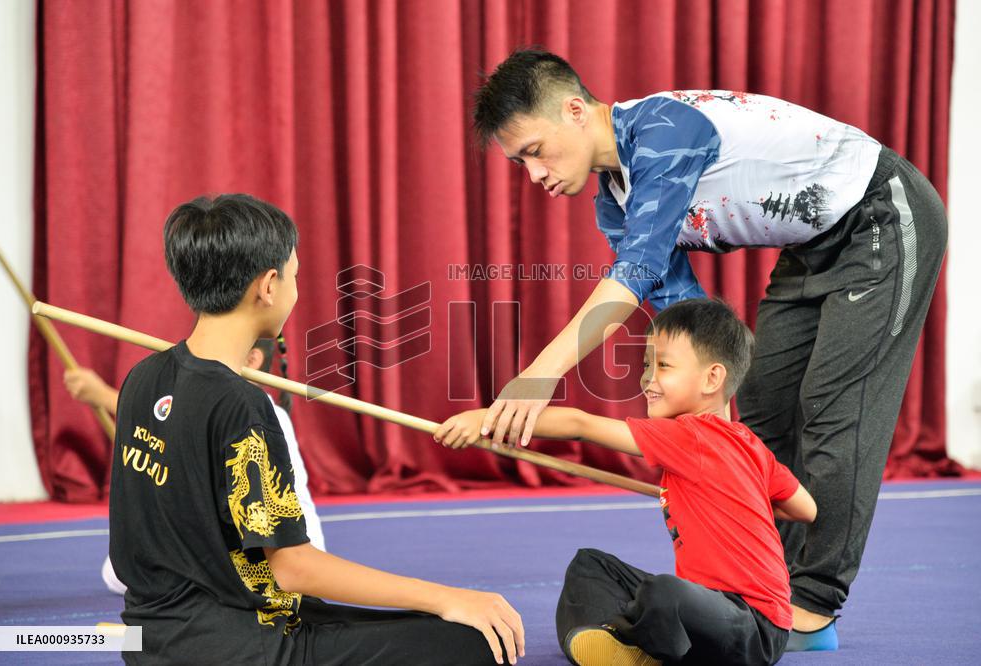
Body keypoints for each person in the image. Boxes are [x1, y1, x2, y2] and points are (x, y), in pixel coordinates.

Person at [471, 48, 947, 648]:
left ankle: (814, 603)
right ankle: (763, 584)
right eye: (519, 164)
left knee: (833, 411)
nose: (534, 175)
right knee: (763, 409)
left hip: (880, 214)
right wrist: (698, 444)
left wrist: (538, 375)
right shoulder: (612, 203)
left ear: (573, 110)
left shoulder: (664, 129)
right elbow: (684, 318)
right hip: (808, 250)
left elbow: (636, 271)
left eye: (534, 152)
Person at [105, 193, 523, 665]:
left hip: (151, 643)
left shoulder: (141, 378)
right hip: (241, 648)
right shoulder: (242, 406)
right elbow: (292, 568)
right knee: (474, 642)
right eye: (295, 276)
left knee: (415, 625)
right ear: (268, 285)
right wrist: (447, 596)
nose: (296, 290)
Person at [436, 298, 816, 665]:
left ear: (712, 378)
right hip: (720, 612)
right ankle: (613, 645)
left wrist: (486, 420)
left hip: (752, 627)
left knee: (663, 593)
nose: (647, 379)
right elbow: (806, 509)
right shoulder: (750, 445)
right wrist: (741, 499)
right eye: (646, 365)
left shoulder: (692, 434)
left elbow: (581, 425)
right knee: (590, 566)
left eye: (663, 366)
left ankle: (639, 646)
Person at [65, 337, 327, 596]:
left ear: (252, 359)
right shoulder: (212, 402)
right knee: (116, 569)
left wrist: (100, 394)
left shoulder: (255, 412)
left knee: (133, 572)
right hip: (235, 546)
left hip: (282, 551)